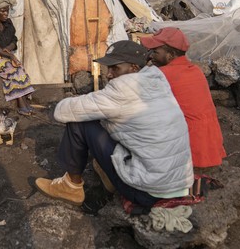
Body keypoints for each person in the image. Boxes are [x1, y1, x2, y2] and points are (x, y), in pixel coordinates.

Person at [34, 40, 193, 211]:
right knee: (113, 123)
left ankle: (70, 187)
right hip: (178, 185)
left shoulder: (122, 90)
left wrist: (85, 100)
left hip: (147, 193)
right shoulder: (157, 81)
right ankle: (108, 175)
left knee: (80, 122)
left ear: (133, 68)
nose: (109, 74)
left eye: (115, 68)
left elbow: (62, 112)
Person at [141, 27, 226, 169]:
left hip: (189, 148)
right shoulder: (194, 70)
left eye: (155, 52)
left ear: (170, 55)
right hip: (209, 143)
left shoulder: (162, 74)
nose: (151, 56)